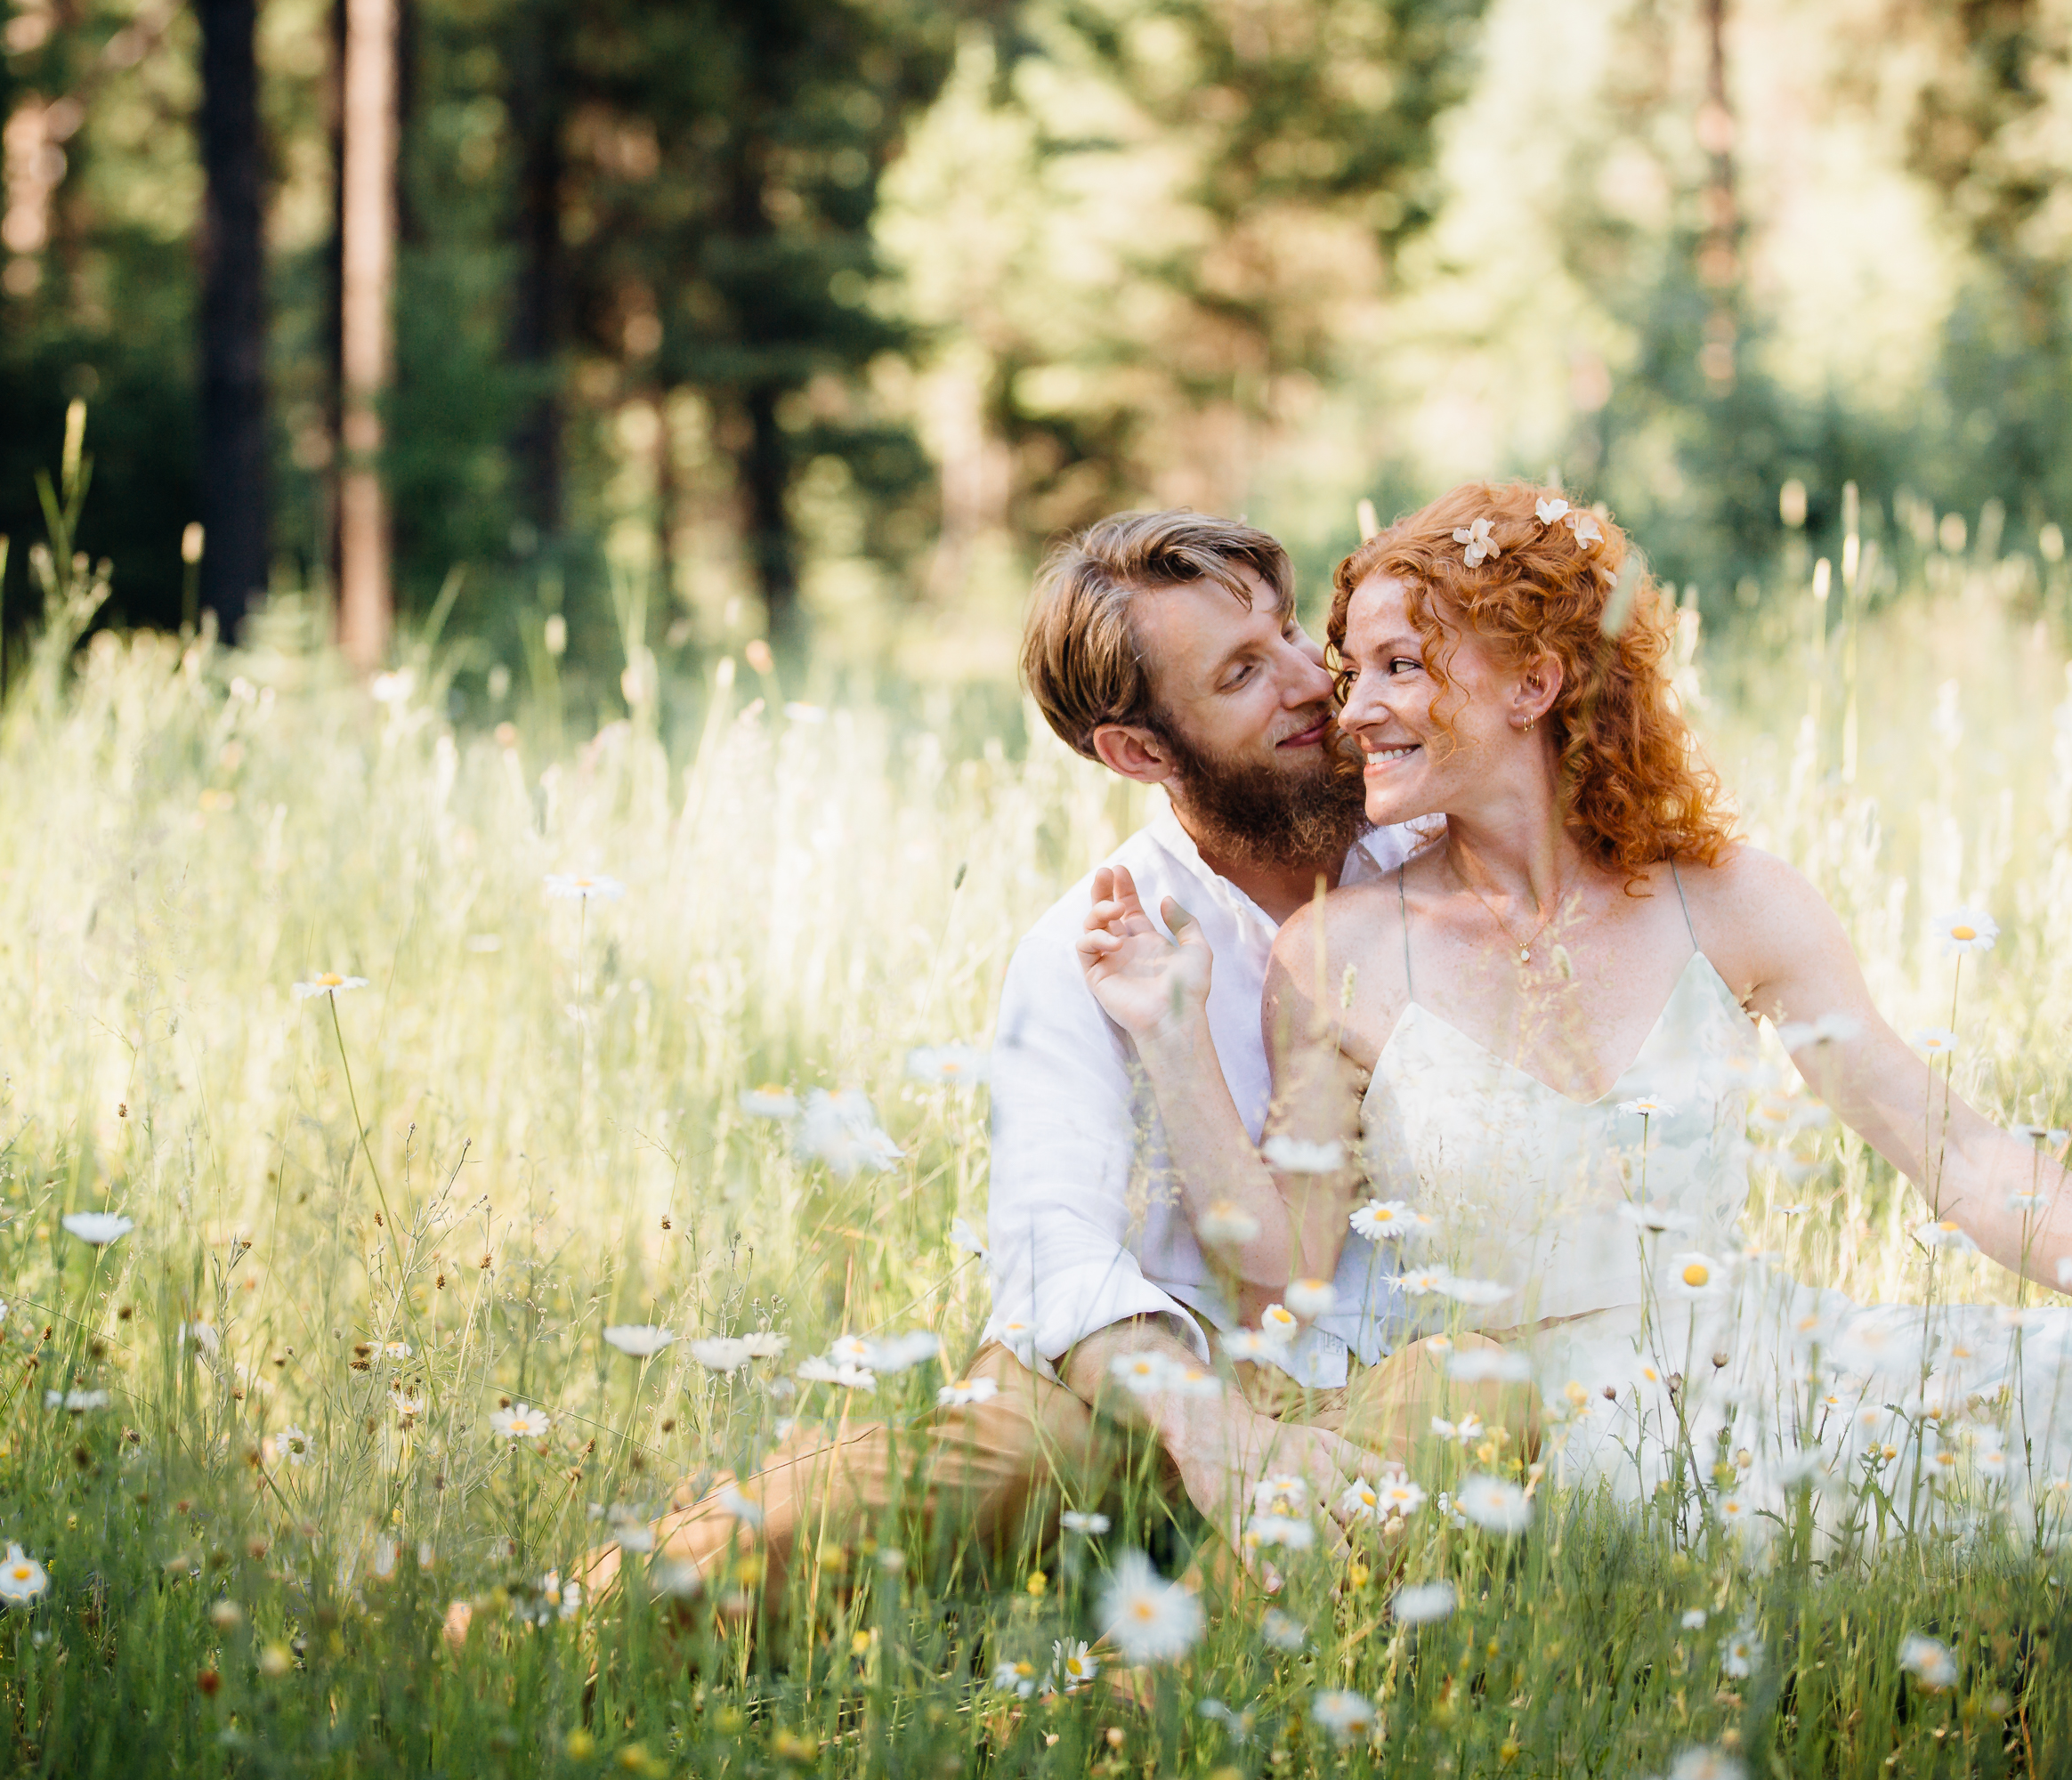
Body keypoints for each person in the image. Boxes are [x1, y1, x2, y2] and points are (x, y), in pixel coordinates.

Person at [1080, 480, 2072, 1539]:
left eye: (1398, 667)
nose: (1351, 710)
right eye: (1351, 668)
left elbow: (1960, 1156)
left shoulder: (1730, 900)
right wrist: (1170, 1033)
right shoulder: (1338, 951)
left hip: (1763, 1377)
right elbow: (1283, 1266)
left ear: (1532, 682)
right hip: (1511, 1437)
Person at [586, 510, 1518, 1616]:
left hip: (1386, 1374)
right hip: (1134, 1392)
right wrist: (1205, 1421)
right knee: (757, 1559)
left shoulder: (1440, 855)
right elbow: (1051, 1253)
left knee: (1452, 1415)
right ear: (1140, 751)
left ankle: (1138, 1706)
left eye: (1283, 636)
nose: (1311, 684)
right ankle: (543, 1629)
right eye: (1239, 674)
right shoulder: (1088, 944)